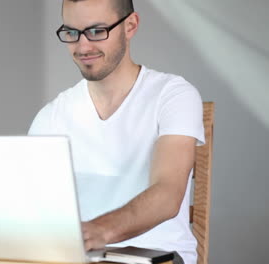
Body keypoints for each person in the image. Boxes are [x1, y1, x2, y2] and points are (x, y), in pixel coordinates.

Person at [28, 0, 205, 263]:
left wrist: (98, 231)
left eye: (97, 31)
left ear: (130, 26)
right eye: (72, 33)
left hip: (161, 257)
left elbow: (168, 193)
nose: (83, 46)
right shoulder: (52, 115)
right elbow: (31, 206)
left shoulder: (172, 95)